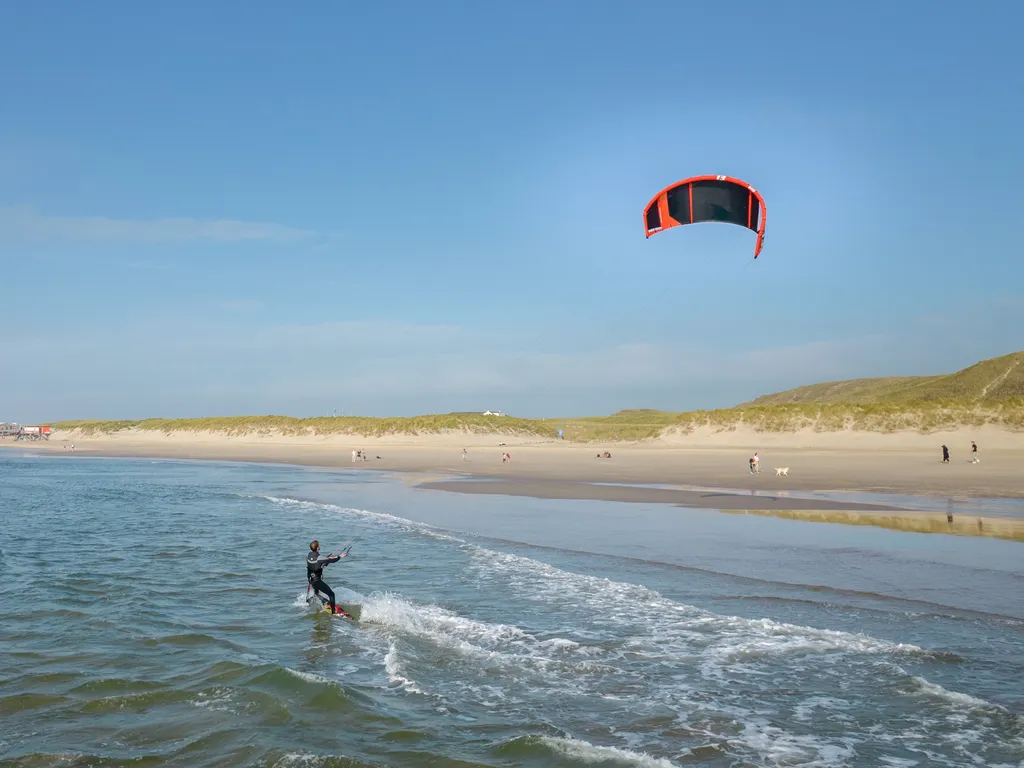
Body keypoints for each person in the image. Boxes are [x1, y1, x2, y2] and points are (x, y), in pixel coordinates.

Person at [306, 540, 348, 615]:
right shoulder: (319, 558)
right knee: (331, 594)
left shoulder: (309, 555)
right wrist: (339, 556)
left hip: (310, 580)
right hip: (317, 581)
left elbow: (319, 562)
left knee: (316, 587)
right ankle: (333, 611)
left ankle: (315, 595)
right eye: (319, 545)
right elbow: (333, 561)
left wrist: (328, 558)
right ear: (318, 547)